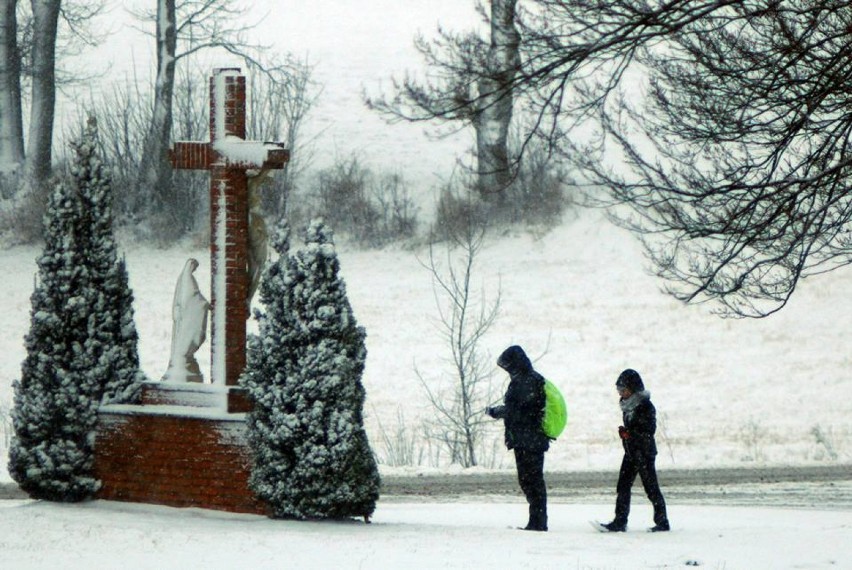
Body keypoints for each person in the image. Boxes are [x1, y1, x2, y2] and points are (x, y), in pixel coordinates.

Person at [486, 345, 550, 531]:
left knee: (531, 480)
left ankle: (538, 522)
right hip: (529, 438)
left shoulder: (526, 381)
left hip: (529, 438)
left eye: (507, 366)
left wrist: (496, 411)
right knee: (530, 480)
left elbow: (518, 411)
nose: (506, 370)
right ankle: (537, 521)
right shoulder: (529, 379)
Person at [599, 369, 670, 533]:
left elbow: (648, 430)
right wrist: (626, 435)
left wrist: (630, 434)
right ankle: (620, 521)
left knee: (651, 488)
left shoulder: (645, 405)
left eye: (623, 390)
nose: (621, 393)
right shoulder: (627, 406)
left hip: (644, 453)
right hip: (630, 452)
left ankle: (662, 522)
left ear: (633, 389)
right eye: (619, 390)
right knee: (623, 486)